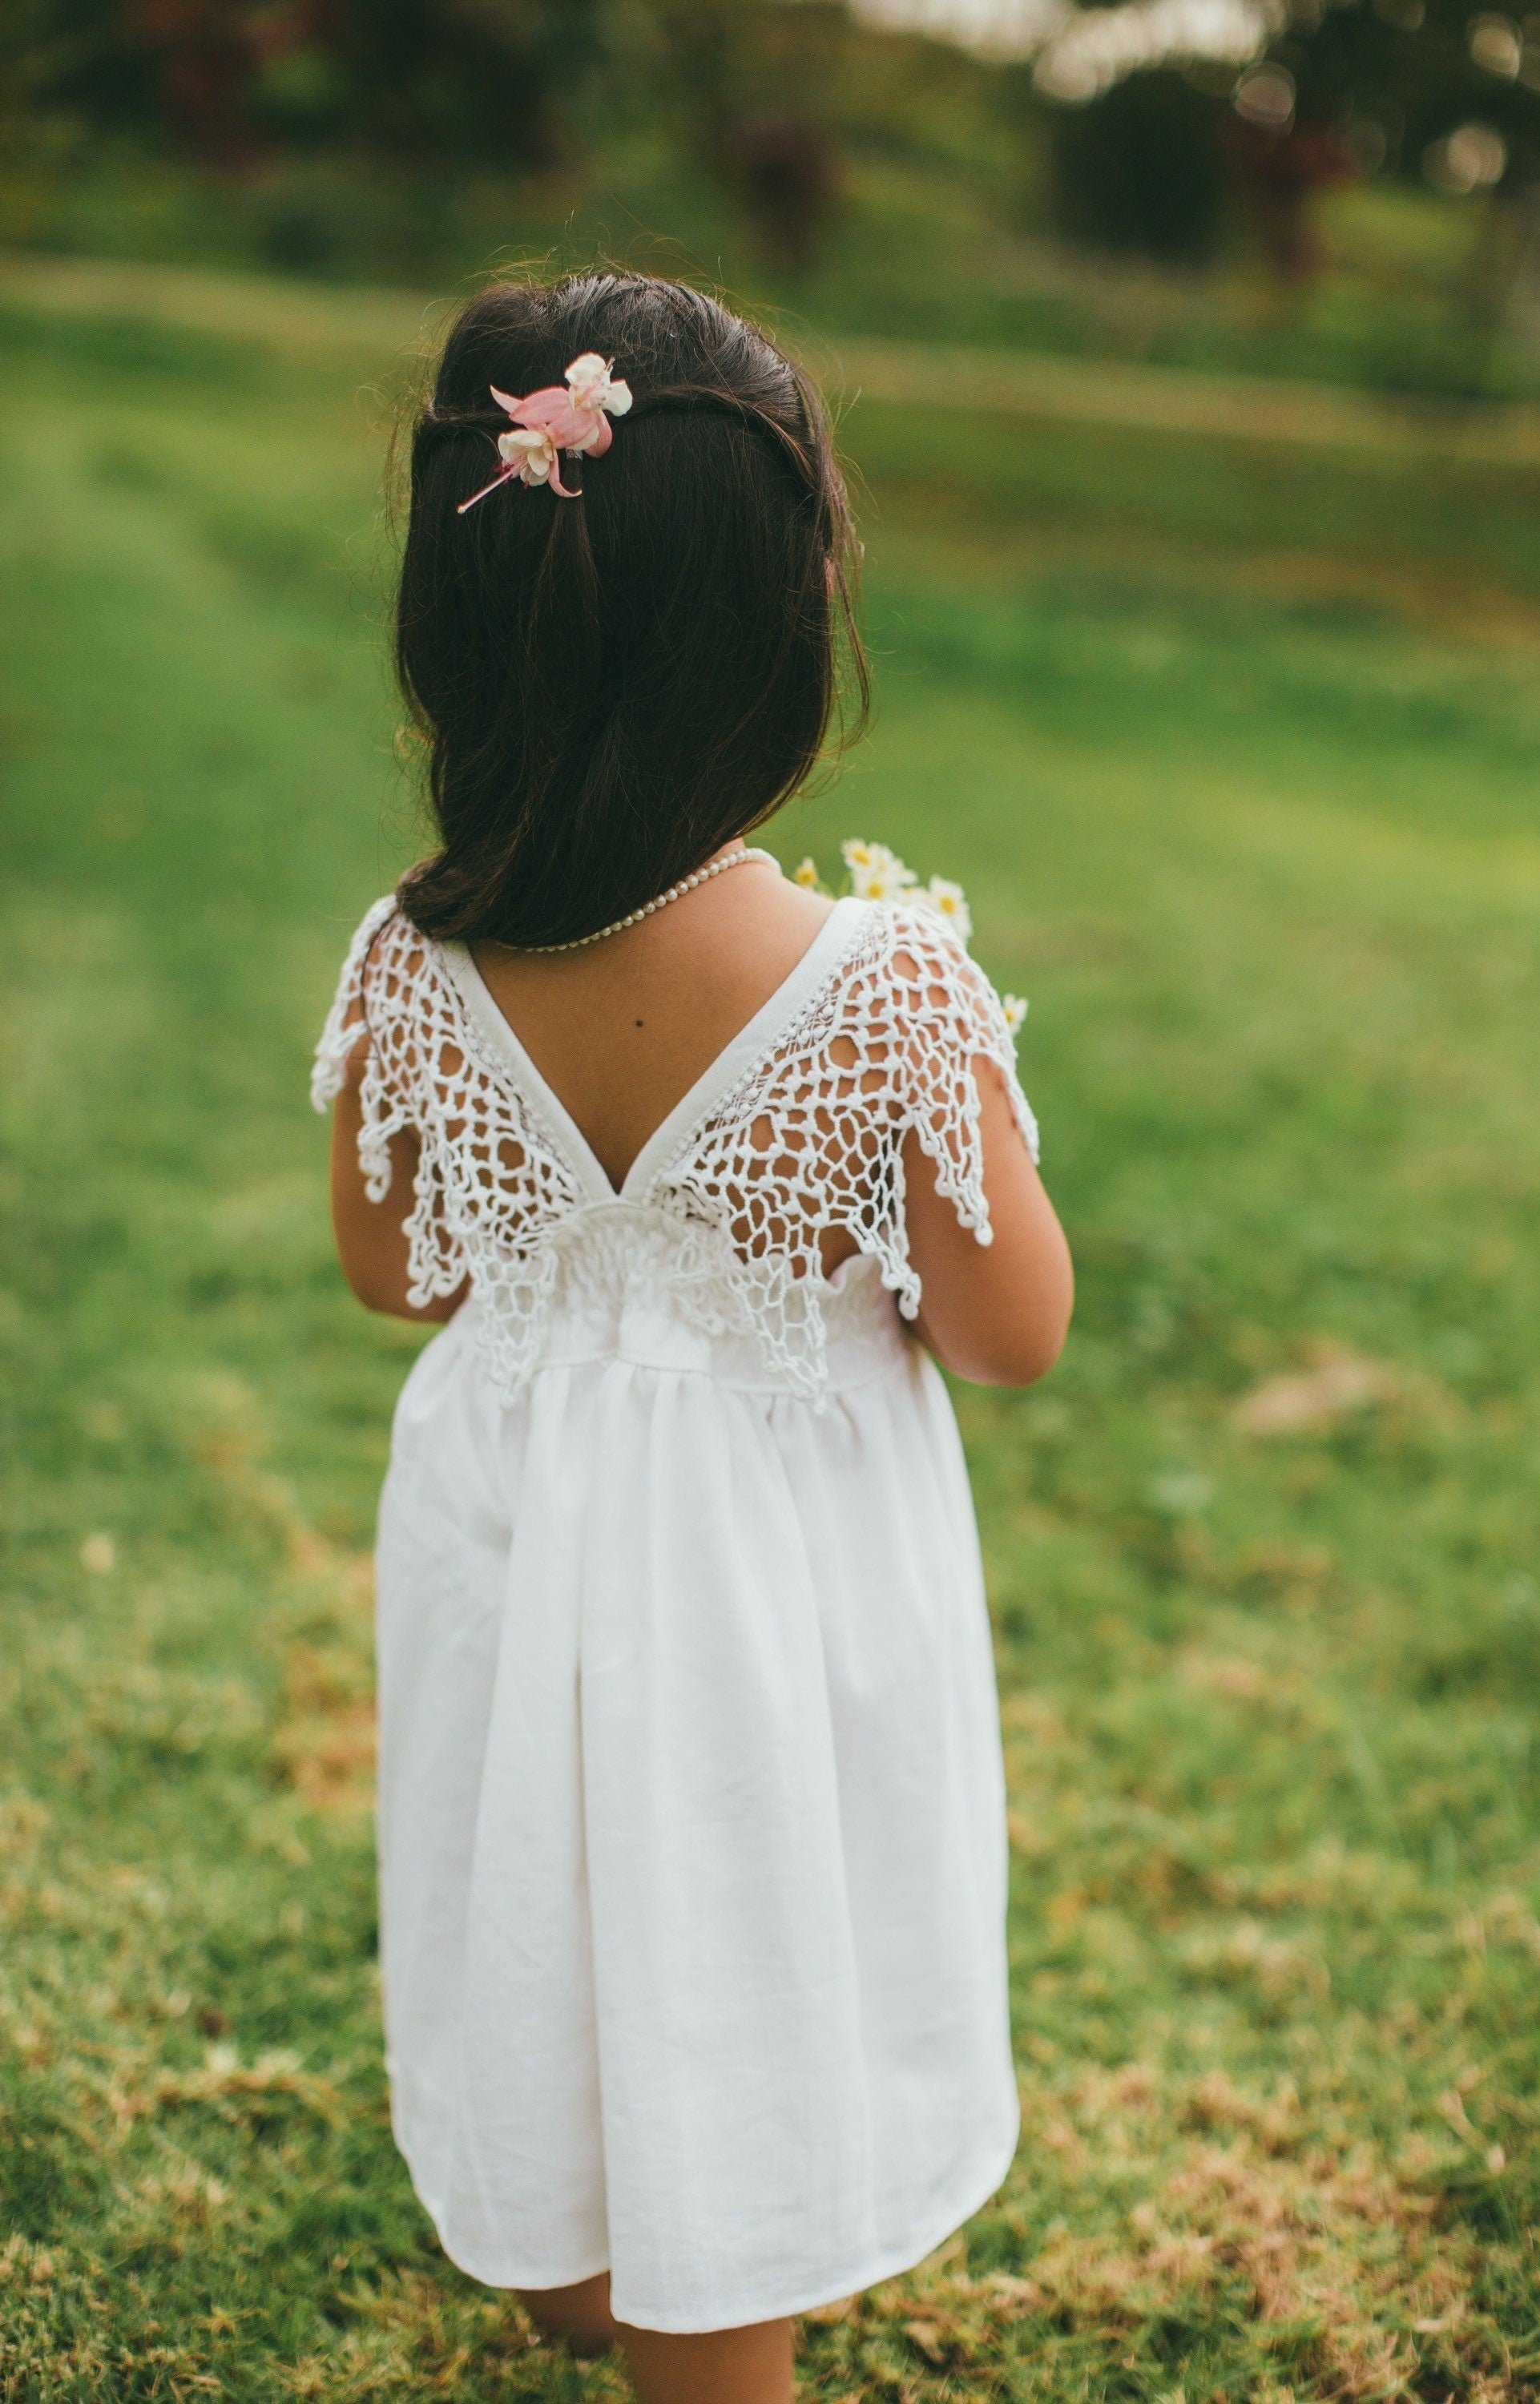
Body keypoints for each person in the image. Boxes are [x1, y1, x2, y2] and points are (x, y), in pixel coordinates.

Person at [312, 272, 1073, 2404]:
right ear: (786, 618)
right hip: (767, 1580)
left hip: (511, 1539)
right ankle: (700, 2320)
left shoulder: (410, 959)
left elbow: (398, 1274)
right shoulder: (885, 987)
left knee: (540, 1868)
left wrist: (576, 1257)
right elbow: (1011, 1330)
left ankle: (570, 2249)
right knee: (731, 1930)